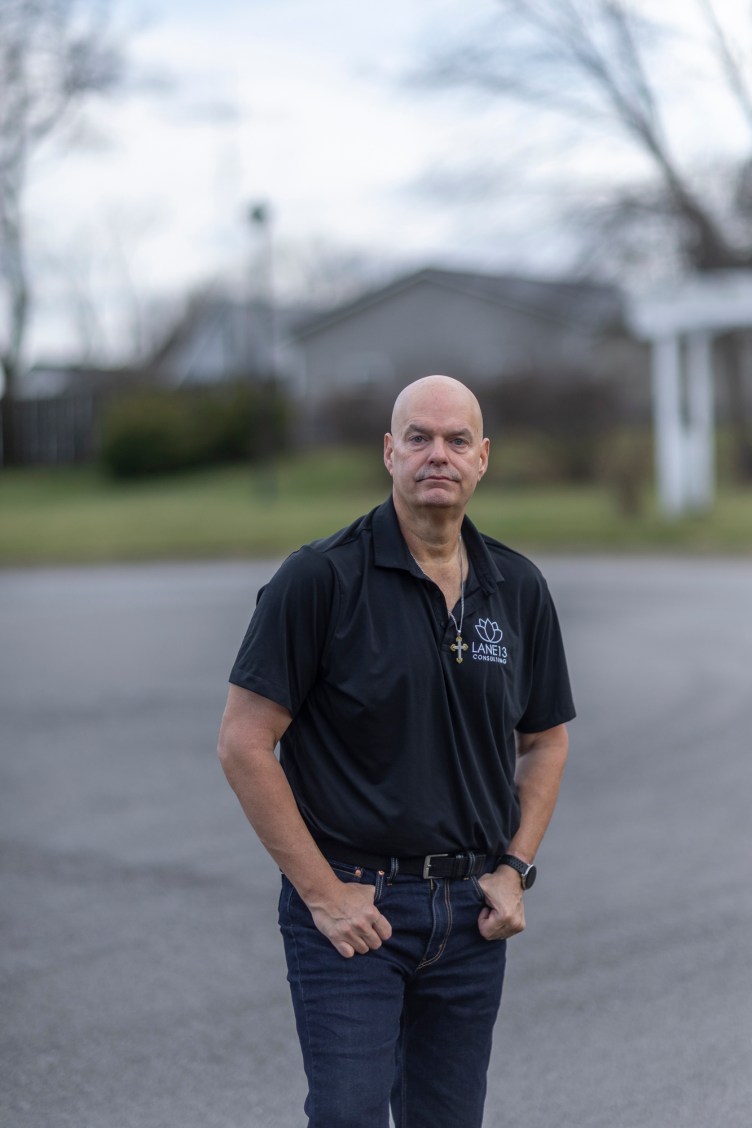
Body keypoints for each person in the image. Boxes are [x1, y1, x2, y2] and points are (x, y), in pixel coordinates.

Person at [218, 374, 575, 1128]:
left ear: (483, 458)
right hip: (355, 912)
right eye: (418, 438)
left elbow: (544, 740)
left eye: (454, 441)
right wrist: (321, 893)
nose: (435, 455)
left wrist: (513, 872)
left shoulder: (517, 587)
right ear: (389, 453)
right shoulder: (319, 579)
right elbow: (244, 743)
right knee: (348, 1116)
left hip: (472, 915)